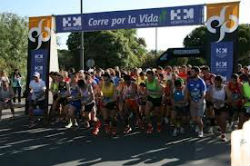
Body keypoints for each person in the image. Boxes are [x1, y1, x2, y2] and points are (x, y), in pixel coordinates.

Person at [187, 66, 207, 138]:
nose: (191, 73)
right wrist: (191, 100)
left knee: (199, 119)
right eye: (191, 71)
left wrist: (200, 101)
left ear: (197, 73)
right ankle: (198, 125)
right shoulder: (190, 81)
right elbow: (188, 92)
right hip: (193, 102)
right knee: (194, 119)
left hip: (200, 102)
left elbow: (204, 93)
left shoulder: (201, 81)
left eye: (192, 71)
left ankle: (201, 131)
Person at [208, 75, 230, 141]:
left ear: (221, 82)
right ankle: (221, 129)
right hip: (215, 106)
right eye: (215, 82)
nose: (216, 83)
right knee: (218, 121)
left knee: (223, 120)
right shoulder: (212, 87)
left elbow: (230, 98)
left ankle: (223, 134)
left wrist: (222, 101)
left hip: (223, 106)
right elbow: (209, 97)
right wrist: (214, 101)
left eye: (217, 82)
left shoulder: (225, 87)